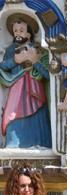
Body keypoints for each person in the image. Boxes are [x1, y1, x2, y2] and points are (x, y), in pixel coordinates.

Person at [0, 14, 51, 148]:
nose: (17, 33)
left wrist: (35, 60)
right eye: (15, 31)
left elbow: (48, 74)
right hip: (16, 87)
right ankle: (13, 142)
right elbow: (3, 66)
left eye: (21, 30)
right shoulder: (11, 49)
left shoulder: (38, 49)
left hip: (35, 88)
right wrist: (16, 60)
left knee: (37, 111)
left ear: (29, 34)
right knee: (12, 112)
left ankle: (41, 142)